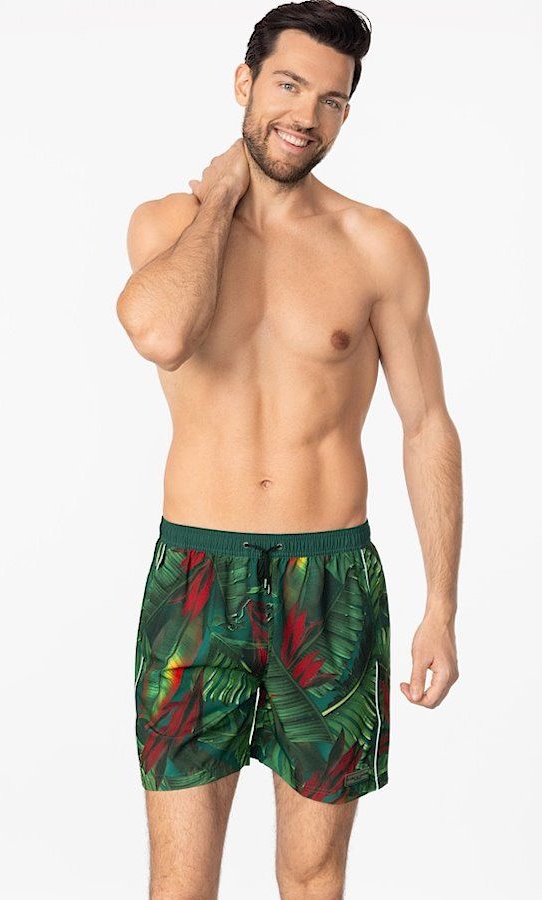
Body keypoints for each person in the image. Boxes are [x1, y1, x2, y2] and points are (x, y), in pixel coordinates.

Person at [116, 2, 462, 897]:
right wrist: (221, 197)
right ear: (244, 83)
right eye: (288, 85)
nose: (307, 115)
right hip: (197, 575)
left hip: (330, 577)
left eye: (331, 100)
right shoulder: (168, 226)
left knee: (312, 876)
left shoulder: (376, 245)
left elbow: (425, 423)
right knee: (180, 882)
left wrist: (440, 606)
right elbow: (160, 334)